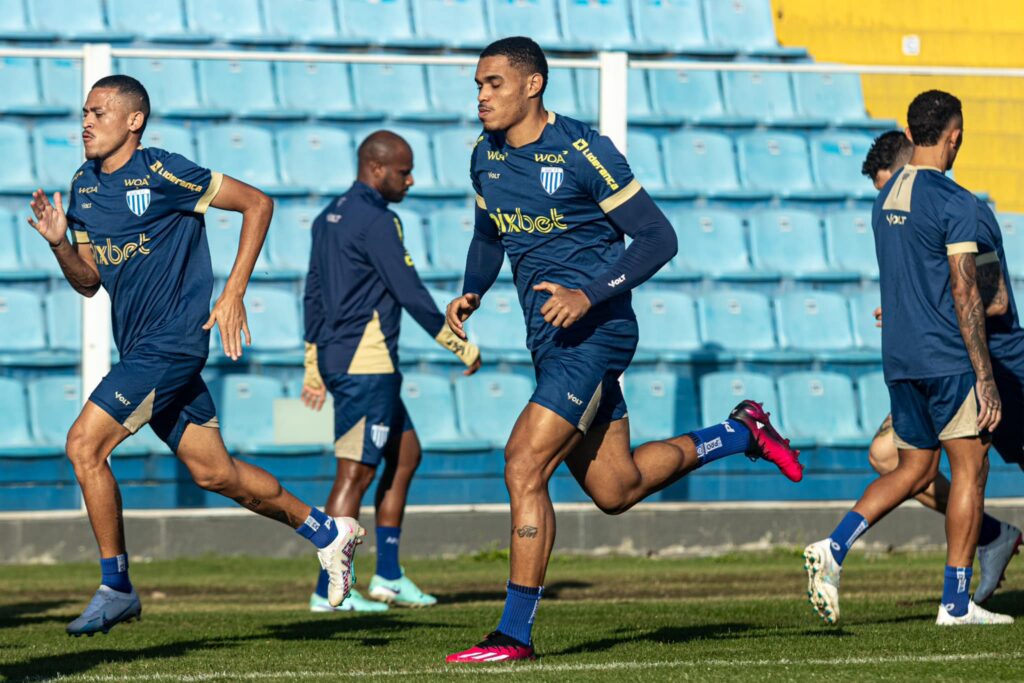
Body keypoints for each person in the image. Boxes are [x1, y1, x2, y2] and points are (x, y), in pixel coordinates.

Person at [443, 37, 804, 663]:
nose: (481, 96)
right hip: (549, 338)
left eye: (494, 83)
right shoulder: (485, 157)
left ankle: (512, 634)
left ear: (533, 85)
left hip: (595, 334)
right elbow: (487, 234)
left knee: (524, 466)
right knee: (616, 487)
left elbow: (658, 238)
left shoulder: (584, 151)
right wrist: (471, 291)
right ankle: (739, 432)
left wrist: (586, 294)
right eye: (478, 84)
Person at [27, 75, 362, 637]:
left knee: (83, 446)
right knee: (215, 472)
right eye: (84, 112)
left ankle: (117, 586)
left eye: (99, 112)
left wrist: (232, 292)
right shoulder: (83, 187)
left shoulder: (162, 171)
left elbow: (258, 203)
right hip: (141, 348)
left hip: (173, 341)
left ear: (134, 121)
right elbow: (87, 283)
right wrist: (62, 242)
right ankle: (328, 533)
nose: (86, 122)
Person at [804, 90, 1014, 627]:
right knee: (971, 467)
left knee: (913, 467)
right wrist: (984, 379)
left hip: (899, 358)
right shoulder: (957, 203)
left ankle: (833, 546)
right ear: (955, 134)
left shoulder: (885, 200)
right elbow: (975, 298)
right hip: (948, 358)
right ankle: (956, 603)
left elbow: (912, 281)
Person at [301, 131, 482, 612]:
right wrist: (456, 344)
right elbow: (410, 291)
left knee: (406, 455)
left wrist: (311, 360)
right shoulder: (378, 220)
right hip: (367, 365)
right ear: (377, 169)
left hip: (346, 359)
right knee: (355, 474)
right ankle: (328, 592)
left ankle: (389, 576)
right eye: (403, 171)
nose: (410, 179)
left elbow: (313, 292)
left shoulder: (328, 216)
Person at [856, 131, 1021, 606]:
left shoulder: (966, 212)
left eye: (891, 188)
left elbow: (993, 299)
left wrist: (920, 309)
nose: (890, 205)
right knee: (889, 457)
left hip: (1002, 367)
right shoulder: (909, 214)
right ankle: (990, 536)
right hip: (947, 363)